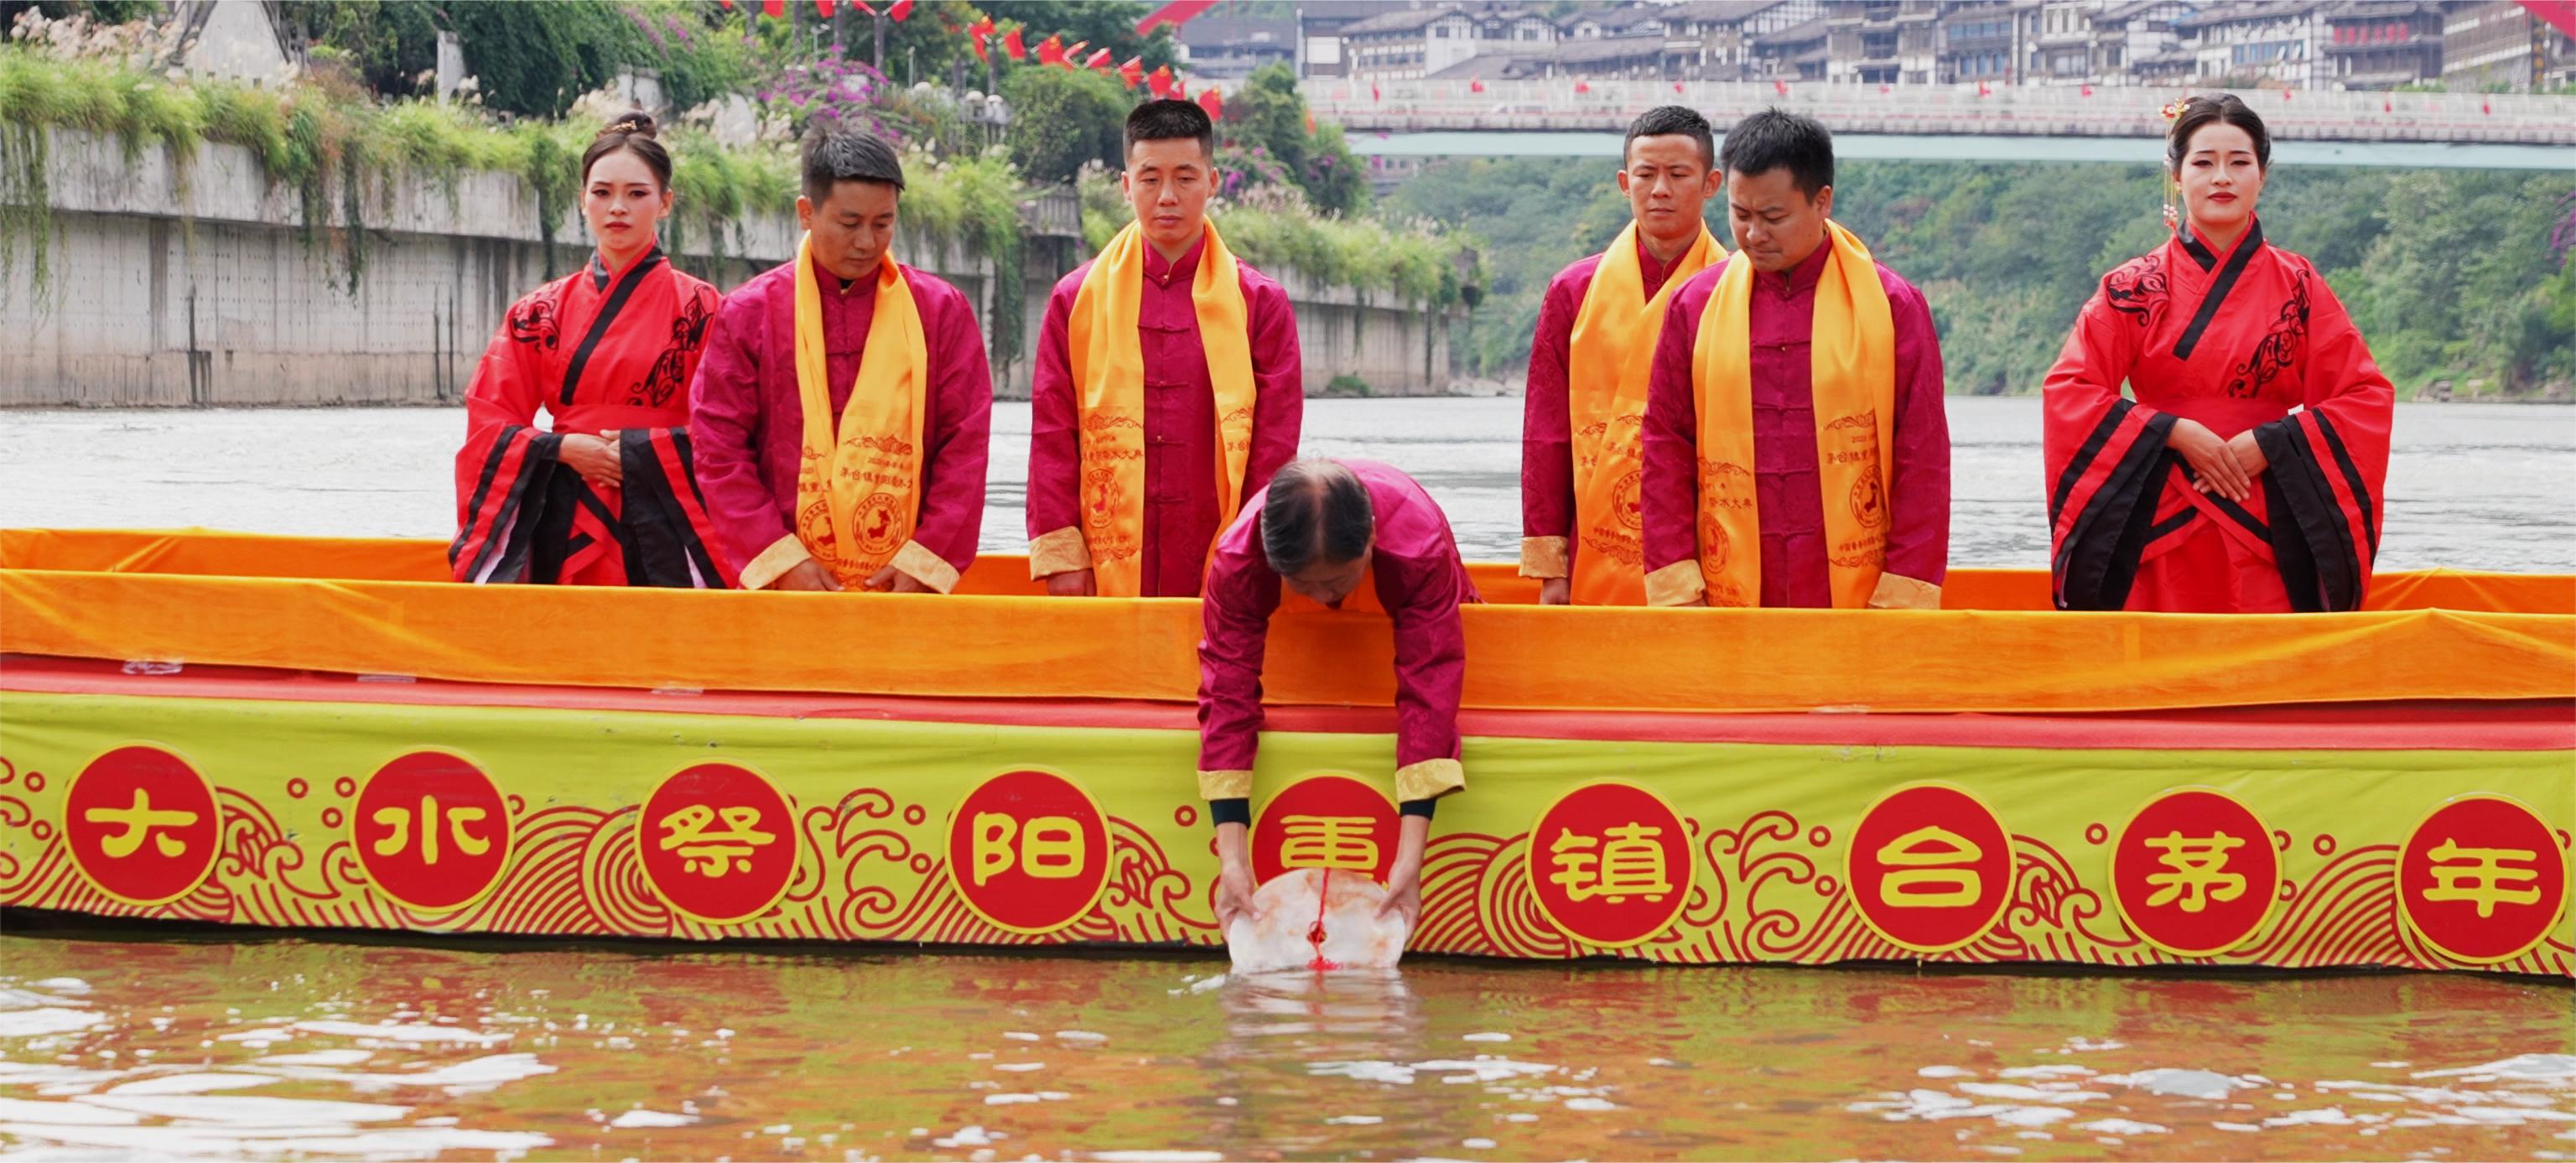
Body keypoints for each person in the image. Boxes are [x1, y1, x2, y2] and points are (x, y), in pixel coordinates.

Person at [2043, 93, 2392, 612]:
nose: (2221, 177)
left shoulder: (2299, 285)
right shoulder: (2130, 287)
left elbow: (2364, 396)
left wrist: (2271, 444)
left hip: (2269, 513)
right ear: (2178, 177)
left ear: (2263, 176)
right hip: (2158, 512)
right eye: (2204, 163)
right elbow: (2069, 392)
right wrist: (2175, 433)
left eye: (2239, 163)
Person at [1639, 108, 1951, 610]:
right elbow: (1665, 448)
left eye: (1773, 217)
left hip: (1856, 592)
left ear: (1822, 201)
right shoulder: (1694, 306)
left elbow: (1923, 456)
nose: (1753, 235)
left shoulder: (1893, 306)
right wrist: (1679, 586)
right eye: (1740, 215)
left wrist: (1902, 591)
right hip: (1726, 589)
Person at [688, 128, 992, 594]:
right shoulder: (752, 311)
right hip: (784, 581)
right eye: (849, 224)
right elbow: (719, 447)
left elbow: (964, 446)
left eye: (883, 223)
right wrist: (779, 560)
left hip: (901, 578)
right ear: (806, 213)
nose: (867, 243)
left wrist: (924, 559)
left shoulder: (940, 310)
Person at [1027, 98, 1303, 598]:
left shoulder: (1259, 303)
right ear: (1126, 185)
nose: (1168, 197)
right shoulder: (1075, 299)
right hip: (1102, 555)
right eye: (1150, 179)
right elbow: (1053, 432)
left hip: (1222, 552)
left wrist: (1251, 555)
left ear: (1213, 182)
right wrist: (1063, 556)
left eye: (1186, 177)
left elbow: (1273, 449)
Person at [450, 112, 731, 587]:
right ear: (582, 201)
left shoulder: (704, 308)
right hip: (566, 504)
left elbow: (730, 429)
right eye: (602, 193)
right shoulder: (537, 311)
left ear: (665, 203)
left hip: (669, 514)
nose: (617, 207)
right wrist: (560, 448)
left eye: (637, 194)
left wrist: (644, 450)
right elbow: (488, 423)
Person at [1199, 459, 1473, 937]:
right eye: (1304, 585)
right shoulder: (1239, 558)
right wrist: (1233, 862)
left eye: (1335, 582)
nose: (1322, 596)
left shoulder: (1417, 546)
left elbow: (1430, 690)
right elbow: (1227, 696)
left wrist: (1410, 862)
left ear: (1369, 540)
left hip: (1410, 549)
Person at [1521, 106, 1728, 606]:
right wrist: (1552, 567)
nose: (1660, 189)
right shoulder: (1574, 290)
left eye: (1679, 175)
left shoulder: (1734, 287)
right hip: (1592, 534)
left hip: (1709, 537)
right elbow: (1546, 433)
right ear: (1623, 181)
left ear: (1710, 183)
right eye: (1646, 174)